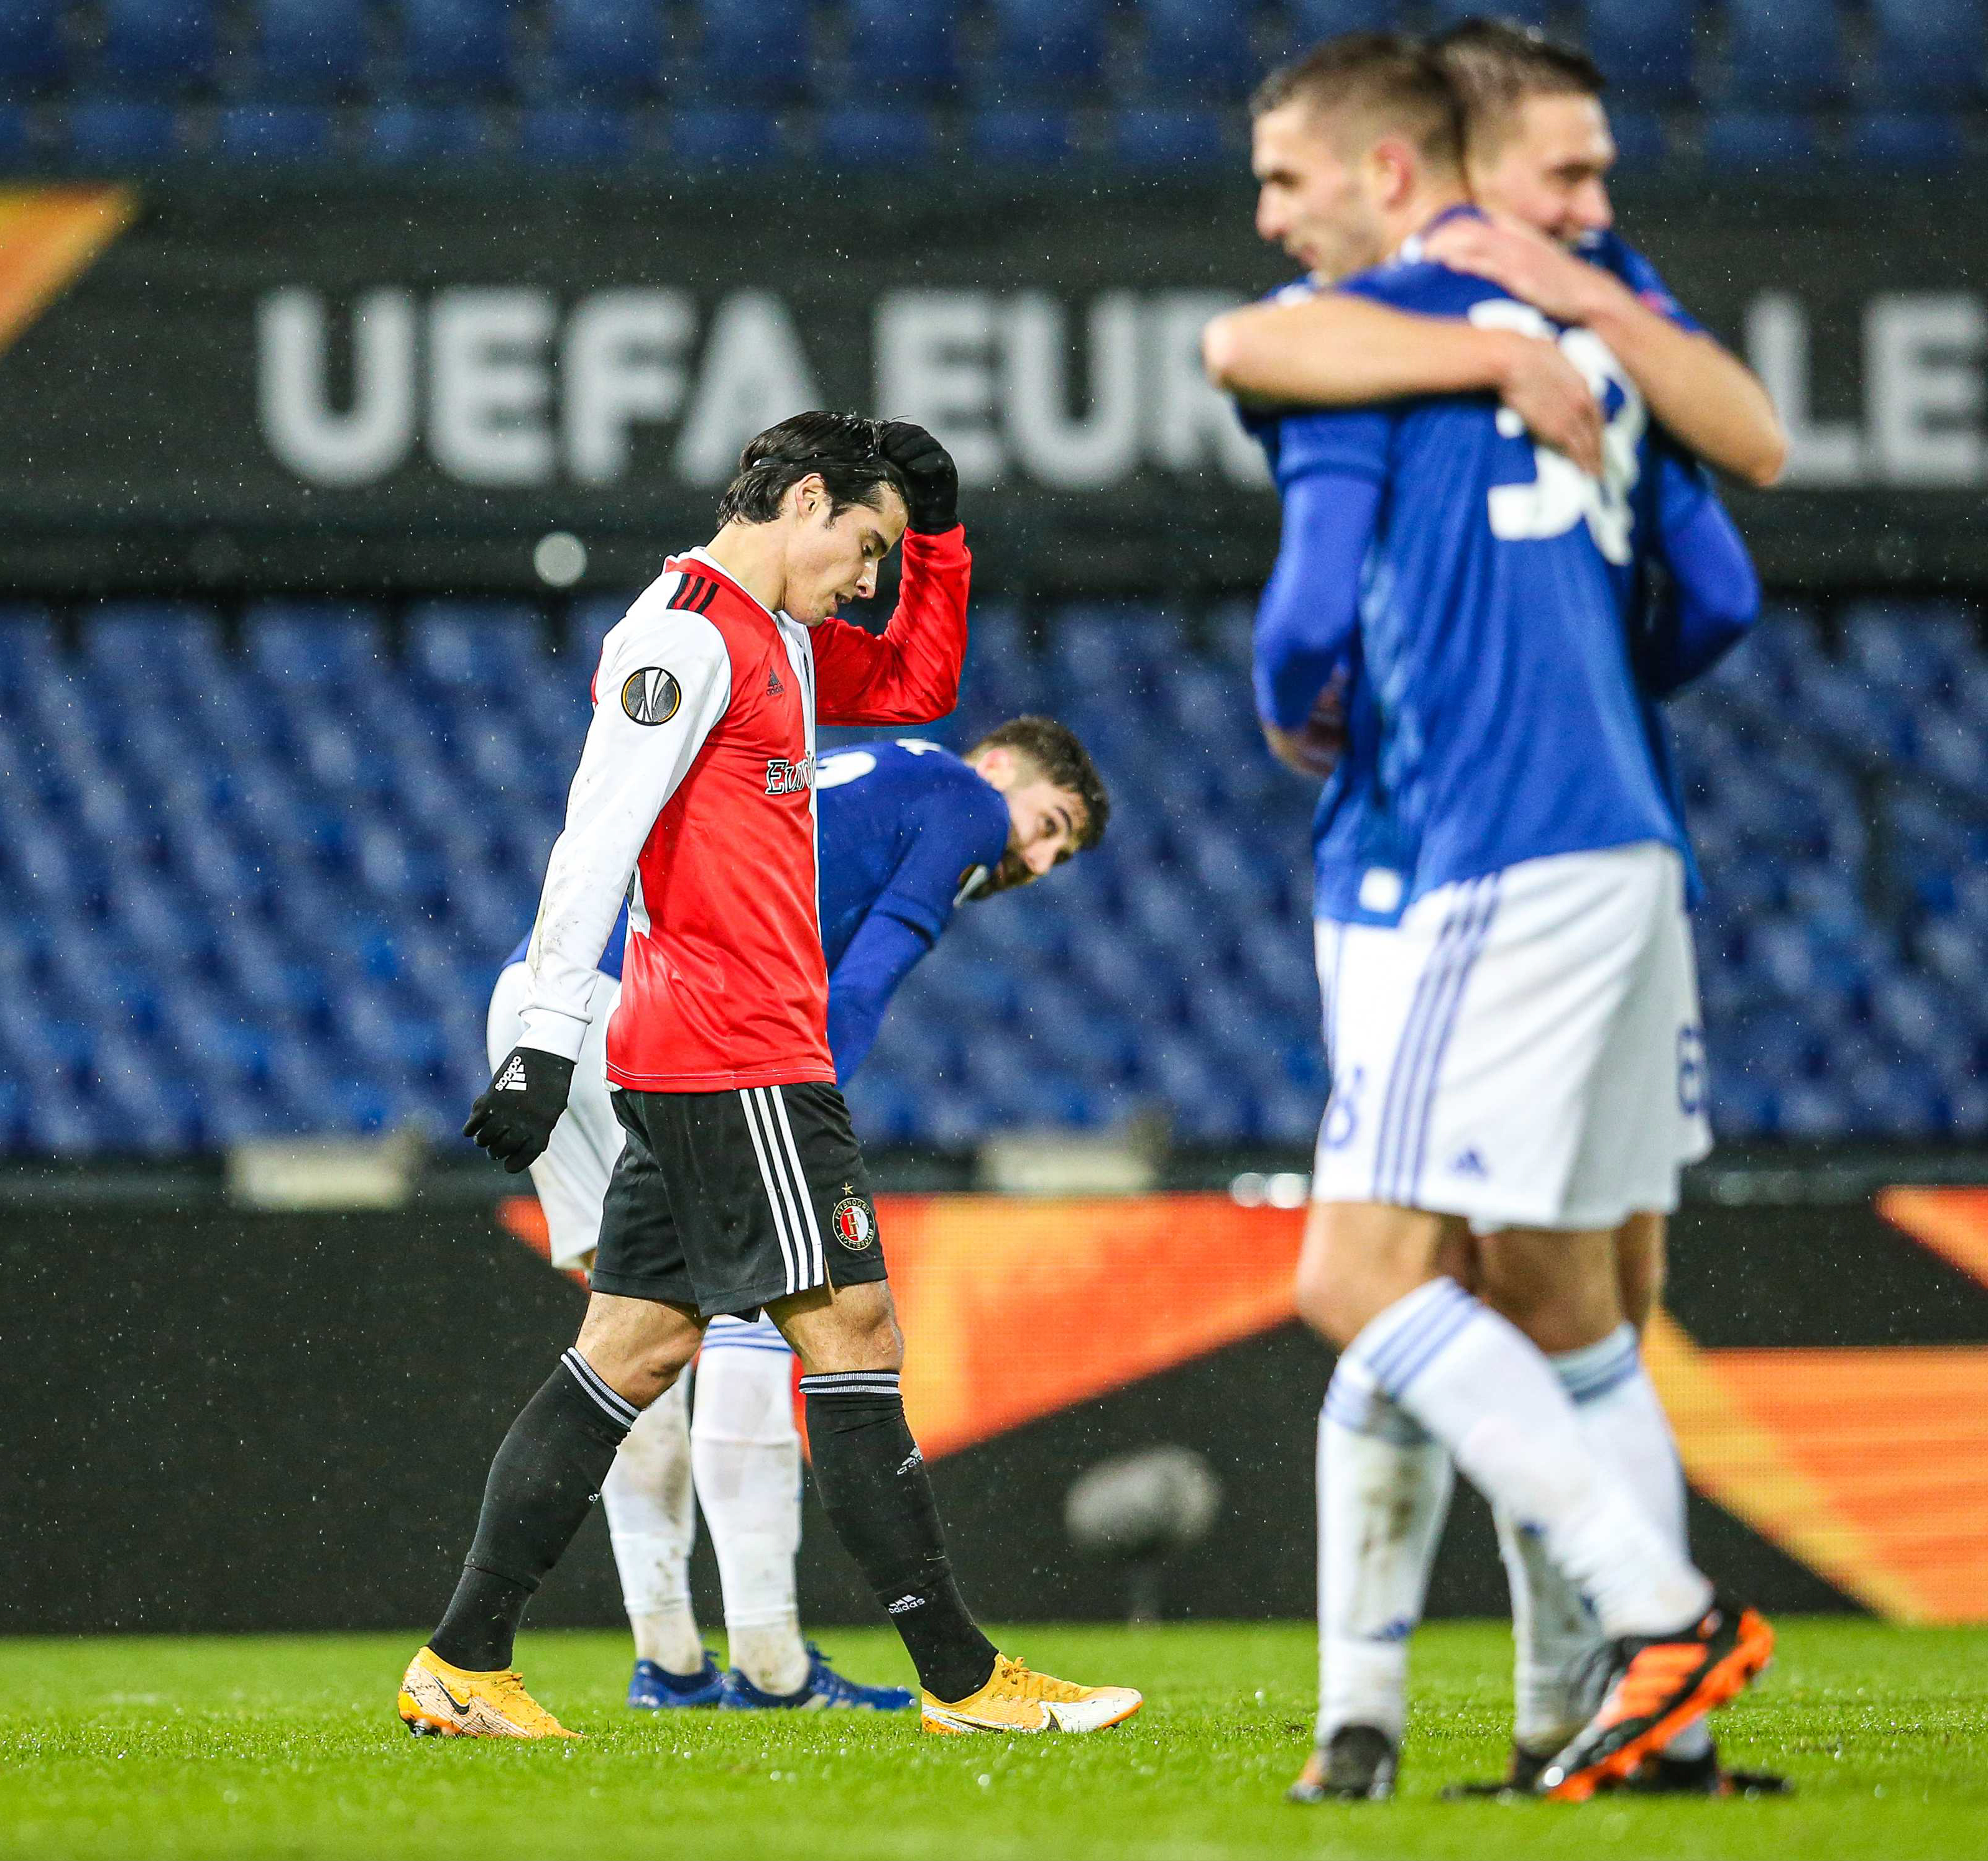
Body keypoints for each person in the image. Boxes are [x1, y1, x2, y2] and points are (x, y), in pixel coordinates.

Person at [1206, 19, 1785, 1798]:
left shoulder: (1377, 349)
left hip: (1476, 846)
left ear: (1392, 169)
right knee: (1575, 1297)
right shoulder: (1588, 324)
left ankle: (1649, 1618)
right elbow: (1716, 585)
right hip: (1622, 838)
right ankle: (1634, 1733)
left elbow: (1246, 360)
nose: (1267, 222)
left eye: (1288, 182)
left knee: (1361, 1276)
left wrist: (1316, 705)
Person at [402, 410, 1140, 1740]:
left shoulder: (778, 642)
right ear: (801, 500)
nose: (870, 580)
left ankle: (462, 1662)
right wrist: (543, 1041)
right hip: (735, 1051)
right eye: (864, 547)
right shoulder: (681, 637)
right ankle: (961, 1680)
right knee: (851, 1338)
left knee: (626, 1352)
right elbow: (595, 834)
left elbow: (913, 688)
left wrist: (942, 540)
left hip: (707, 1049)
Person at [486, 720, 1108, 1711]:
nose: (1034, 859)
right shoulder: (967, 802)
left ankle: (667, 1657)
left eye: (1056, 854)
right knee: (783, 1315)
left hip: (546, 995)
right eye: (1049, 825)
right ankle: (775, 1658)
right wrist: (802, 1114)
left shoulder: (868, 767)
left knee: (627, 1336)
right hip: (672, 1011)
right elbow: (858, 989)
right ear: (1001, 769)